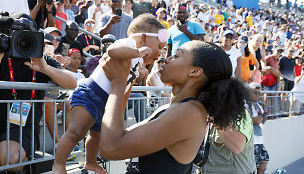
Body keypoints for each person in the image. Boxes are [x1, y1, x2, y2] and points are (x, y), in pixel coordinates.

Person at [99, 40, 251, 173]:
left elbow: (110, 148)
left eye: (177, 55)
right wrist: (127, 78)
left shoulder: (190, 113)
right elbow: (117, 136)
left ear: (195, 71)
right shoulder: (179, 109)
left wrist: (118, 83)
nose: (166, 59)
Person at [52, 14, 167, 174]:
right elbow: (112, 51)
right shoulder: (129, 44)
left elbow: (126, 88)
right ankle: (58, 164)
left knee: (96, 135)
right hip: (90, 93)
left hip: (106, 102)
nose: (161, 53)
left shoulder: (139, 62)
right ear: (144, 38)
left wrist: (119, 112)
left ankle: (90, 161)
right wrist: (137, 51)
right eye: (160, 47)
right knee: (76, 131)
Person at [0, 13, 76, 173]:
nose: (22, 41)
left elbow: (72, 82)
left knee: (10, 156)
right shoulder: (1, 55)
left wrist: (45, 68)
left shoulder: (42, 59)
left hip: (22, 125)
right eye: (17, 35)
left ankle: (26, 168)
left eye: (27, 36)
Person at [247, 83, 270, 174]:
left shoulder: (258, 104)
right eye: (255, 93)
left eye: (259, 93)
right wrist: (261, 117)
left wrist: (265, 115)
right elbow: (256, 121)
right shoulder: (246, 104)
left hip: (259, 140)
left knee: (264, 163)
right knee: (253, 168)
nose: (257, 95)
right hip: (252, 141)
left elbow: (261, 121)